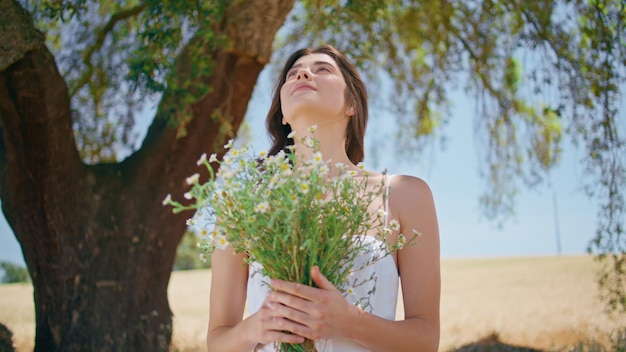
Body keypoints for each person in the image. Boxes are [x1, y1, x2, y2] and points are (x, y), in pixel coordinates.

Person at [206, 45, 440, 352]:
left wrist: (349, 322)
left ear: (351, 104)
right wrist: (253, 328)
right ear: (284, 114)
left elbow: (426, 341)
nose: (302, 74)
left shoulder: (405, 195)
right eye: (292, 74)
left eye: (323, 69)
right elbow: (217, 342)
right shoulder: (243, 203)